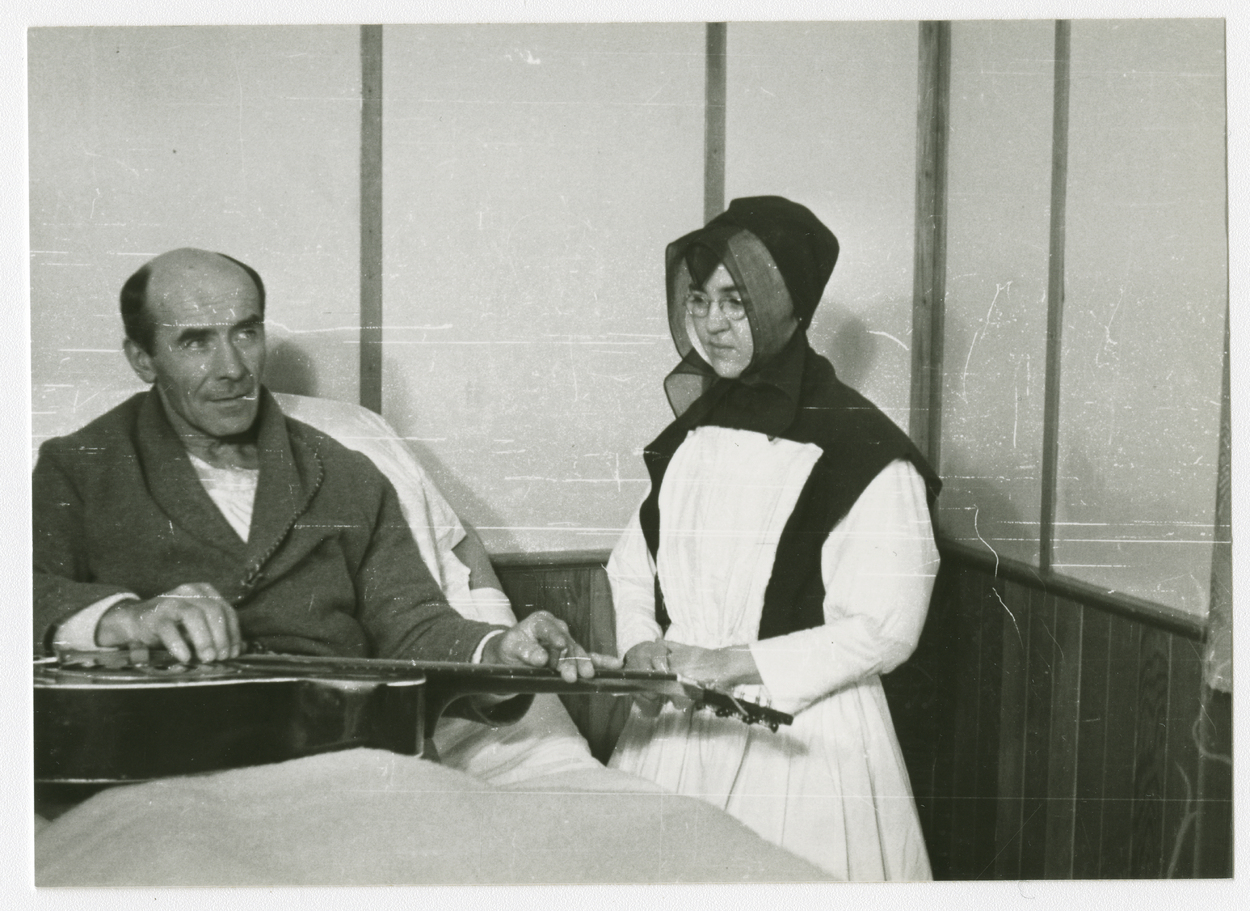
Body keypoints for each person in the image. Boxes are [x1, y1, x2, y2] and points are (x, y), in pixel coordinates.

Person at [33, 247, 616, 688]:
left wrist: (496, 649)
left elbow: (412, 625)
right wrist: (124, 617)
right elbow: (23, 592)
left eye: (246, 333)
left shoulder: (345, 473)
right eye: (196, 342)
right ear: (142, 359)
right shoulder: (79, 468)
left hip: (337, 745)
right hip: (166, 764)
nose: (233, 367)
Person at [606, 197, 942, 880]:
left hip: (805, 744)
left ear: (787, 305)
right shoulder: (694, 434)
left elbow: (884, 628)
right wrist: (641, 646)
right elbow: (633, 564)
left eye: (737, 302)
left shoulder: (865, 449)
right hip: (678, 730)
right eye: (700, 300)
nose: (713, 324)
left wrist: (730, 663)